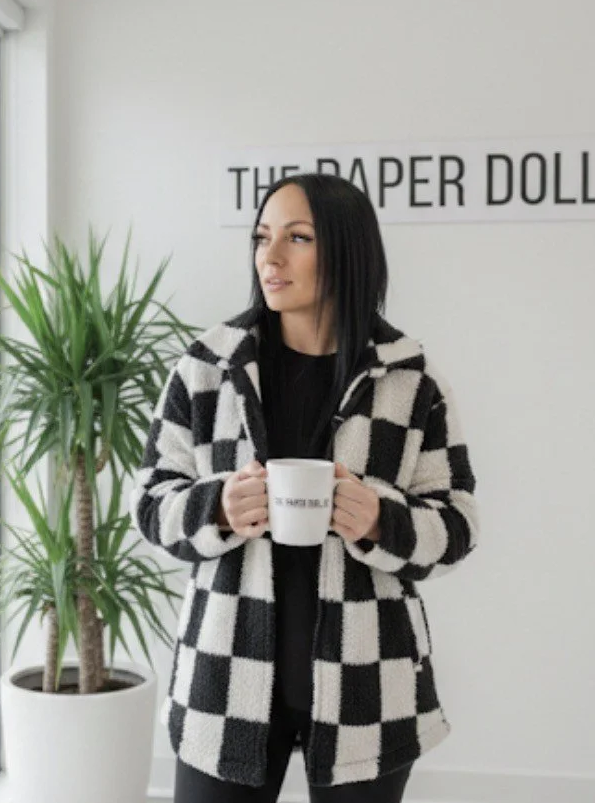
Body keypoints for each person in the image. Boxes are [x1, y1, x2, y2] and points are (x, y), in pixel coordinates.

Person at [130, 173, 480, 803]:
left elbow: (457, 528)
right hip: (224, 675)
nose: (271, 255)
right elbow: (151, 505)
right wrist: (218, 507)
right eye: (263, 237)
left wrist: (380, 520)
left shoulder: (410, 380)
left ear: (346, 251)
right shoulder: (208, 369)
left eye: (297, 237)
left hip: (367, 686)